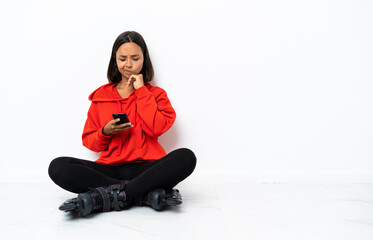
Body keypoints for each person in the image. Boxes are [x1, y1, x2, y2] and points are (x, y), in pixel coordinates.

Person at [48, 31, 197, 217]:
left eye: (135, 58)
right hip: (109, 169)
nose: (128, 64)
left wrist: (142, 91)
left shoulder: (156, 94)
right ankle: (143, 195)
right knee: (58, 167)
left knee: (186, 157)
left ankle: (107, 196)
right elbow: (89, 142)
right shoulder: (101, 96)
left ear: (144, 59)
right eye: (122, 58)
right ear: (115, 60)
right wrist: (105, 131)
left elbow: (157, 128)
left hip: (147, 168)